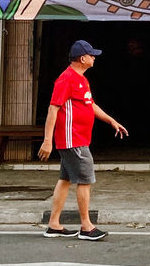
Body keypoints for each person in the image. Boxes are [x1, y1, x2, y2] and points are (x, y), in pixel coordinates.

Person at [38, 40, 128, 241]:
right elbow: (53, 108)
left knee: (65, 179)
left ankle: (54, 224)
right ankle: (86, 226)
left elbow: (90, 104)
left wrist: (111, 121)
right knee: (85, 180)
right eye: (91, 55)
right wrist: (47, 140)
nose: (94, 58)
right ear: (82, 58)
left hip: (77, 138)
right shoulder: (66, 79)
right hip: (73, 139)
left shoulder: (81, 79)